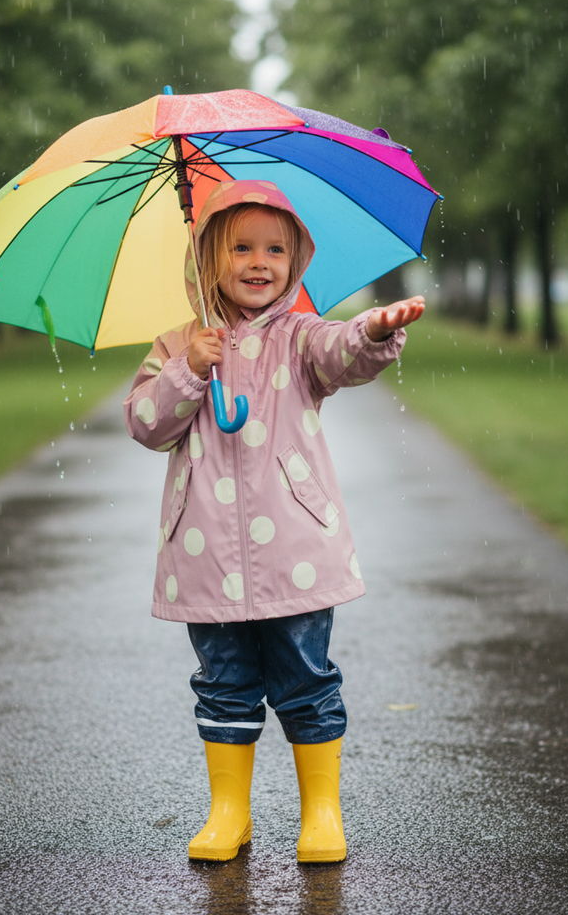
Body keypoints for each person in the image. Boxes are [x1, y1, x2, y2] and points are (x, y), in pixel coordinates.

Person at [123, 179, 425, 863]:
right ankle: (228, 811)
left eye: (276, 250)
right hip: (206, 557)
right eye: (241, 248)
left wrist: (373, 333)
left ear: (296, 262)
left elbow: (342, 354)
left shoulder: (300, 338)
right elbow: (145, 425)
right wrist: (187, 372)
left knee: (306, 680)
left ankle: (322, 812)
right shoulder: (180, 342)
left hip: (295, 551)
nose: (260, 263)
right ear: (209, 257)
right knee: (224, 684)